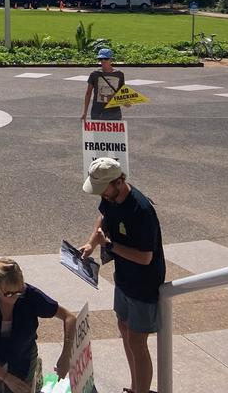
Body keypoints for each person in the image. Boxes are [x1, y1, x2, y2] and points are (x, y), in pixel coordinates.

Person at [78, 158, 164, 393]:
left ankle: (142, 391)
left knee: (138, 341)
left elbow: (146, 257)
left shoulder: (141, 209)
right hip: (124, 278)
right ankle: (136, 386)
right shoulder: (110, 197)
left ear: (118, 182)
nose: (101, 195)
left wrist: (111, 246)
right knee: (124, 330)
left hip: (144, 284)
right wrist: (91, 243)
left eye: (102, 189)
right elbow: (103, 218)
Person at [0, 258, 77, 393]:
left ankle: (34, 369)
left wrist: (66, 356)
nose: (14, 298)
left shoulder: (30, 295)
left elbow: (69, 317)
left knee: (22, 388)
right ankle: (0, 382)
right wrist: (6, 377)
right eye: (8, 293)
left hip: (23, 352)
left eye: (19, 292)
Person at [81, 48, 124, 122]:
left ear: (111, 59)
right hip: (97, 112)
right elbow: (88, 93)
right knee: (97, 133)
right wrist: (84, 112)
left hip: (114, 112)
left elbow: (122, 92)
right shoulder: (94, 74)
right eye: (101, 59)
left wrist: (125, 102)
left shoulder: (119, 74)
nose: (103, 61)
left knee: (114, 134)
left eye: (106, 58)